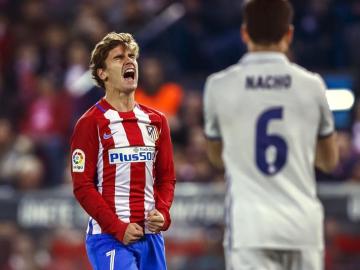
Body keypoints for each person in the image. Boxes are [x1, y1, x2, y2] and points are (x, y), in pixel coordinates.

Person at [203, 0, 339, 269]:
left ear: (244, 33)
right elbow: (329, 161)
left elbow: (217, 159)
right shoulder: (312, 86)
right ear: (288, 34)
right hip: (302, 227)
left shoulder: (218, 86)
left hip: (250, 227)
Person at [70, 32, 176, 270]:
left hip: (151, 238)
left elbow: (167, 178)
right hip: (109, 237)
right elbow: (82, 186)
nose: (129, 61)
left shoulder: (157, 120)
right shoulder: (90, 123)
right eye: (119, 58)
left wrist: (163, 213)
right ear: (102, 73)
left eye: (131, 56)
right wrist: (118, 227)